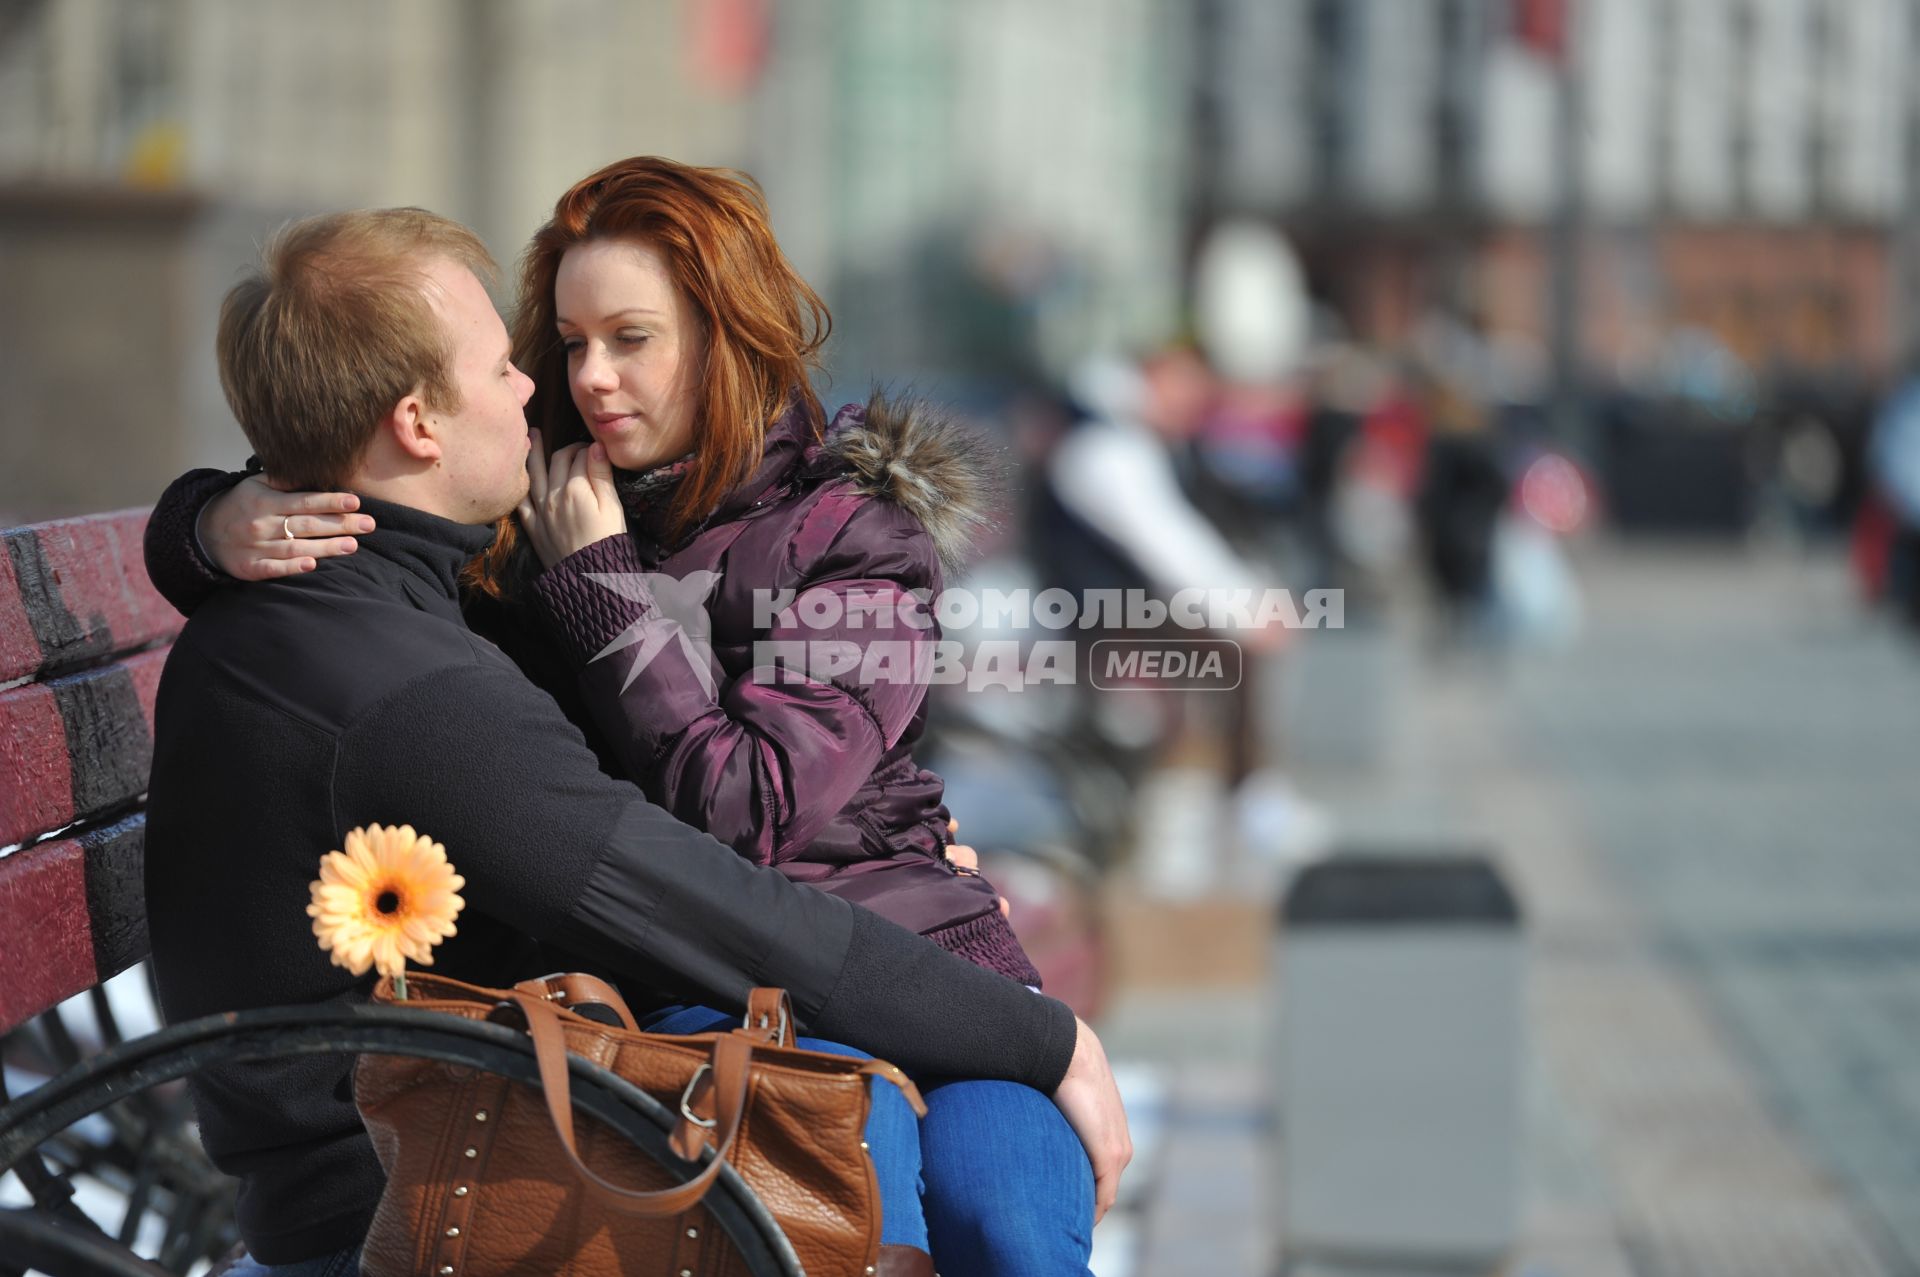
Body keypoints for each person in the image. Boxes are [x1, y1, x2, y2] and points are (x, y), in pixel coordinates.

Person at [148, 158, 1093, 1276]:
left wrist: (209, 520)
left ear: (722, 334)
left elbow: (747, 816)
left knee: (1012, 1217)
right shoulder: (510, 557)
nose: (565, 382)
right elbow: (708, 863)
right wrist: (210, 516)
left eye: (631, 338)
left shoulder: (836, 533)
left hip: (881, 952)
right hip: (653, 1024)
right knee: (845, 1195)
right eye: (543, 349)